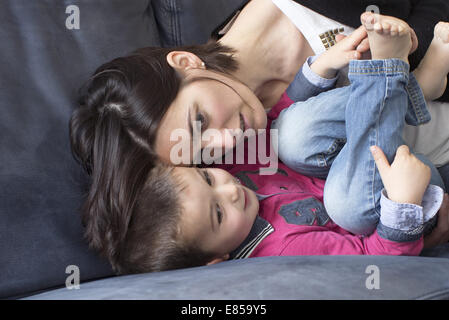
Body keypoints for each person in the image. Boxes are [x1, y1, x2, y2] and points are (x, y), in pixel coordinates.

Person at [79, 14, 448, 275]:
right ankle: (402, 77)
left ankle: (410, 84)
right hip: (398, 193)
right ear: (217, 260)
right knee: (346, 206)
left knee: (290, 133)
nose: (229, 188)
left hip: (356, 157)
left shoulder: (230, 168)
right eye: (218, 214)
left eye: (207, 177)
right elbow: (377, 261)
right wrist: (402, 207)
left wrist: (321, 68)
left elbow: (281, 117)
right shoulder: (282, 249)